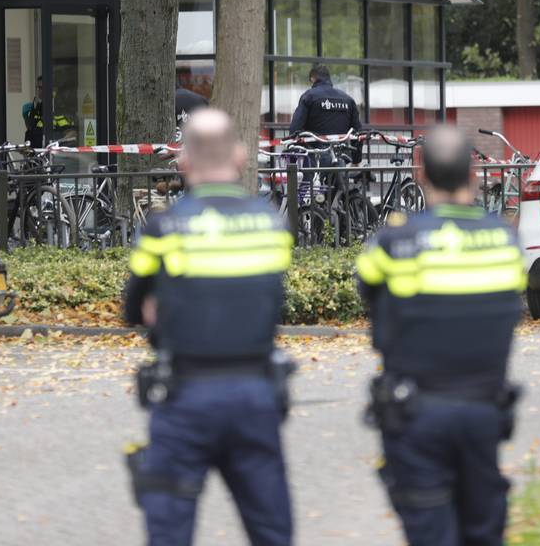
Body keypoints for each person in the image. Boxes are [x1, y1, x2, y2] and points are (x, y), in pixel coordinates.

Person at [122, 108, 296, 546]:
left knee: (169, 529)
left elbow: (133, 308)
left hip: (184, 396)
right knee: (271, 529)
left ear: (183, 163)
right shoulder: (270, 225)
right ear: (239, 158)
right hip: (255, 396)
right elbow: (272, 299)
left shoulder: (164, 229)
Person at [355, 126, 526, 546]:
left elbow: (368, 289)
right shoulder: (505, 241)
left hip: (416, 414)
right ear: (472, 171)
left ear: (421, 171)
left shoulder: (394, 242)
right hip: (484, 412)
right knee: (483, 532)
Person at [288, 65, 362, 163]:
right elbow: (358, 132)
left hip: (316, 157)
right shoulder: (348, 100)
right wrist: (356, 159)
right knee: (340, 177)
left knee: (309, 178)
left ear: (313, 78)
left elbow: (295, 129)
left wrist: (294, 152)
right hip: (341, 156)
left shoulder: (309, 96)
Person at [21, 77, 74, 147]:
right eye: (37, 88)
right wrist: (26, 117)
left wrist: (57, 143)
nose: (38, 91)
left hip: (52, 154)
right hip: (35, 153)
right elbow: (31, 128)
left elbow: (72, 134)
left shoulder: (59, 110)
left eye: (41, 88)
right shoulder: (37, 107)